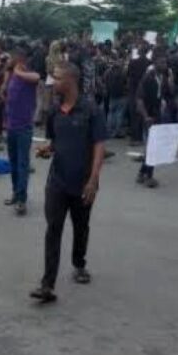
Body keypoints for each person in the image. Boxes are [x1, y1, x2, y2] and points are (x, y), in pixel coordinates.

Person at [30, 62, 107, 304]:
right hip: (57, 181)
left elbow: (99, 146)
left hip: (83, 181)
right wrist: (47, 149)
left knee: (81, 226)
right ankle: (47, 284)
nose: (53, 83)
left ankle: (79, 264)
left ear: (71, 81)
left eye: (58, 78)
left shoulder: (91, 110)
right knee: (53, 229)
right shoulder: (54, 111)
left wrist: (94, 180)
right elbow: (55, 141)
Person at [136, 49, 178, 188]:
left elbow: (171, 95)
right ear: (154, 63)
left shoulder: (163, 77)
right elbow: (139, 100)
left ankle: (141, 173)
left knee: (153, 146)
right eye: (162, 62)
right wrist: (146, 117)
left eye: (166, 63)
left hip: (158, 115)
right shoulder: (148, 78)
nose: (165, 65)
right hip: (149, 117)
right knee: (153, 147)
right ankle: (149, 176)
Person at [3, 45, 40, 215]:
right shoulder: (11, 76)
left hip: (24, 126)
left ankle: (21, 200)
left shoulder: (27, 75)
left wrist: (18, 72)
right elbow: (6, 97)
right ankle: (15, 193)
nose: (8, 59)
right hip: (11, 125)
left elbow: (37, 77)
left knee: (23, 164)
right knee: (13, 163)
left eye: (11, 57)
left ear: (19, 59)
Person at [127, 40, 152, 146]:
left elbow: (128, 77)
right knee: (143, 114)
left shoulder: (133, 62)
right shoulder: (149, 63)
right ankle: (142, 137)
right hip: (145, 92)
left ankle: (134, 138)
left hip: (133, 90)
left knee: (134, 114)